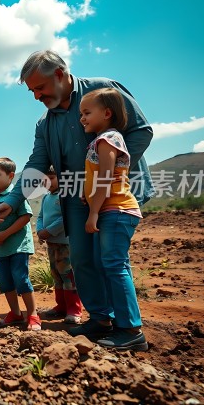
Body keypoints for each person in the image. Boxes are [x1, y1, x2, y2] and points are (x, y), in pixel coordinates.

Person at [0, 50, 153, 341]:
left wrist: (112, 176)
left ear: (59, 74)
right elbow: (37, 164)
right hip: (75, 197)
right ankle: (101, 319)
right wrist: (12, 200)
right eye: (32, 91)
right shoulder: (45, 124)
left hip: (114, 195)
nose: (36, 96)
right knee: (82, 260)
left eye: (39, 88)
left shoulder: (103, 91)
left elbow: (141, 132)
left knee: (111, 260)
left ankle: (128, 327)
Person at [79, 88, 147, 350]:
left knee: (115, 266)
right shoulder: (102, 140)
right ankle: (109, 322)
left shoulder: (108, 139)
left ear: (107, 113)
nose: (82, 118)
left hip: (116, 211)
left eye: (87, 113)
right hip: (110, 210)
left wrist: (93, 211)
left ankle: (130, 329)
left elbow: (107, 178)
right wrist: (89, 196)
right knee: (106, 265)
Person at [0, 158, 41, 331]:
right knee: (4, 280)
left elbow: (25, 217)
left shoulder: (16, 196)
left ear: (10, 176)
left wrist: (5, 233)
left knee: (21, 278)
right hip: (1, 249)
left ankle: (33, 315)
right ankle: (15, 313)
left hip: (18, 246)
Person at [37, 166, 82, 324]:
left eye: (51, 178)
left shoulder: (65, 196)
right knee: (56, 275)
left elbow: (65, 218)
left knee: (68, 276)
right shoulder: (46, 197)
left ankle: (74, 310)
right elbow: (40, 216)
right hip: (52, 244)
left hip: (64, 243)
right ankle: (61, 306)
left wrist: (48, 231)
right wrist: (40, 230)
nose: (47, 182)